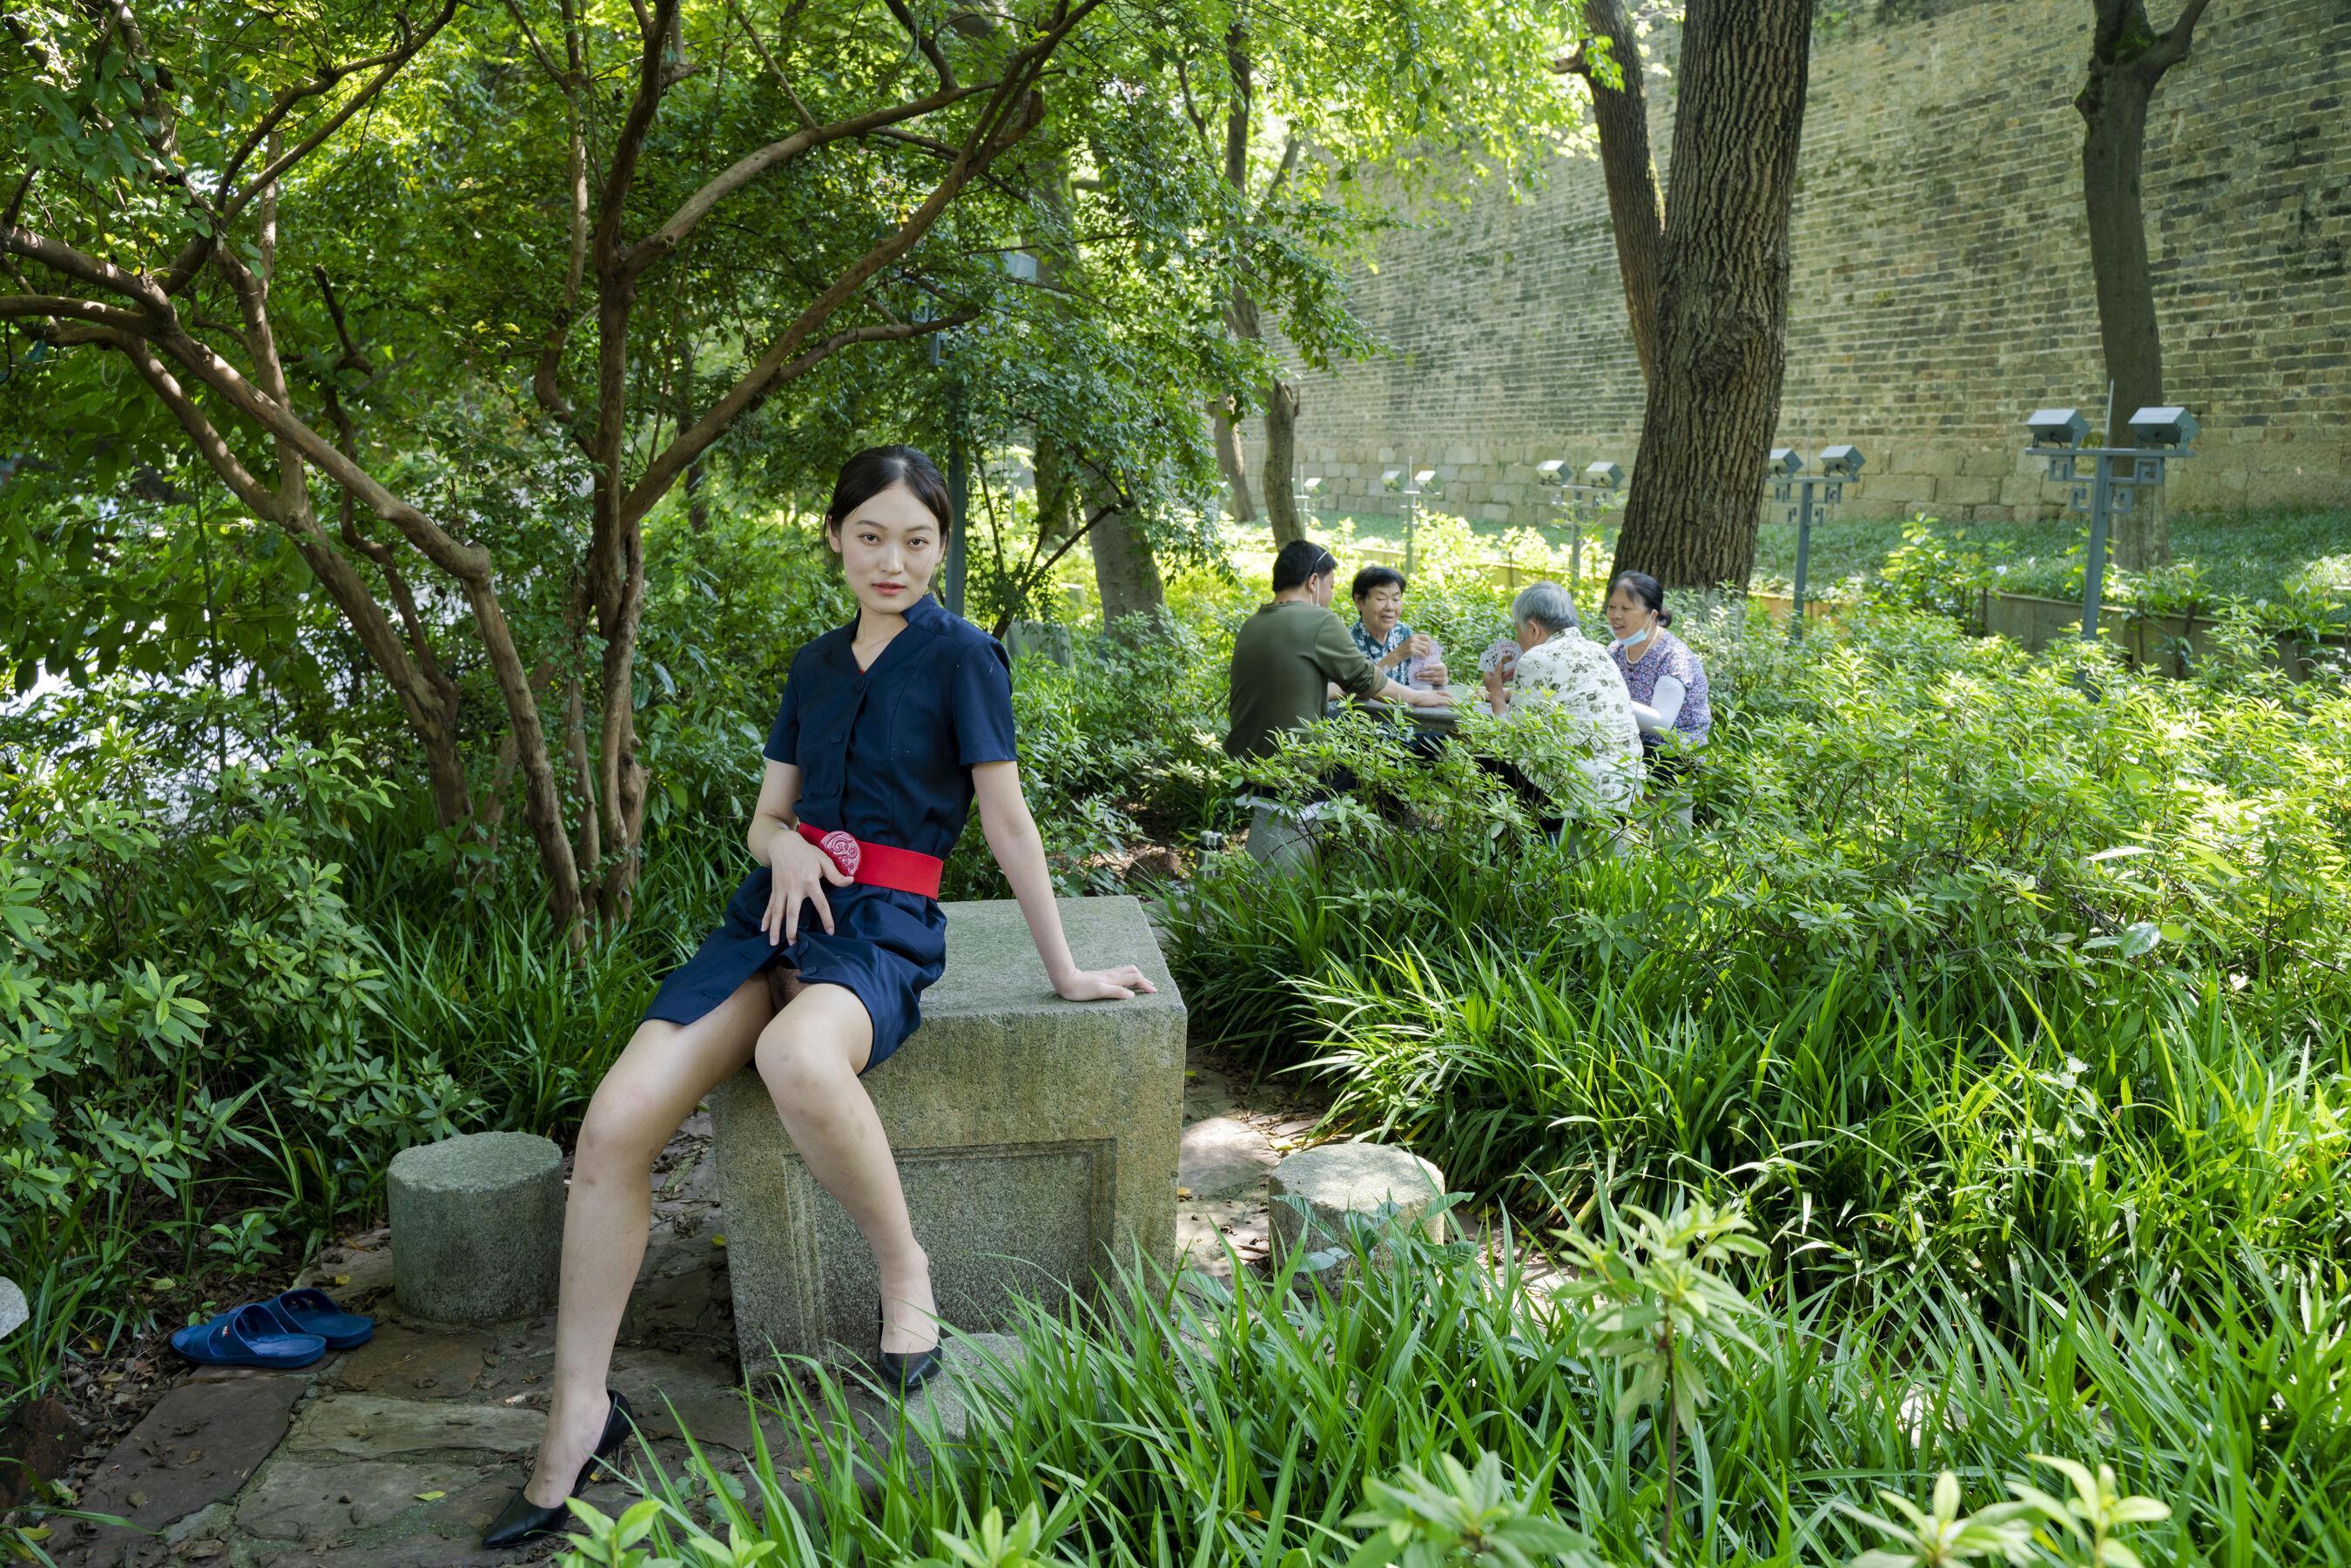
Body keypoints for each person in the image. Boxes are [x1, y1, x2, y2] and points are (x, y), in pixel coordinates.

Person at [484, 447, 1157, 1549]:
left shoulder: (964, 657)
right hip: (772, 917)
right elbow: (767, 818)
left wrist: (1067, 969)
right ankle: (580, 1408)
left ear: (941, 548)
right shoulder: (813, 666)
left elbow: (1007, 822)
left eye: (917, 540)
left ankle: (905, 1268)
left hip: (884, 929)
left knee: (796, 1056)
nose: (893, 560)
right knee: (614, 1121)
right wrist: (787, 846)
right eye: (871, 536)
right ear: (836, 538)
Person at [1225, 540, 1450, 762]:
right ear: (1313, 582)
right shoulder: (1318, 620)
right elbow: (1366, 680)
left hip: (1244, 766)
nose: (1331, 595)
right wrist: (1418, 697)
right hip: (1296, 771)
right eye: (1331, 586)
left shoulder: (1251, 624)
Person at [1479, 582, 1643, 820]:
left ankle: (1517, 842)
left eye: (1518, 629)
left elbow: (1512, 741)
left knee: (1486, 758)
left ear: (1533, 629)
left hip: (1579, 798)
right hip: (1627, 790)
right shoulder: (1599, 651)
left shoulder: (1536, 657)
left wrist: (1495, 693)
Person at [1603, 570, 1713, 771]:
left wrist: (1607, 699)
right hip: (1631, 745)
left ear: (1652, 615)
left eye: (1626, 608)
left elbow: (1661, 723)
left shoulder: (1673, 656)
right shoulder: (1616, 650)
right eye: (1612, 607)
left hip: (1672, 757)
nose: (1616, 615)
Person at [1347, 566, 1449, 690]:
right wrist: (1396, 655)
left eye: (1396, 599)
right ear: (1359, 602)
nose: (1390, 607)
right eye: (1381, 599)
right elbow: (1359, 687)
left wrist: (1438, 676)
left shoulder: (1402, 632)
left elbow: (1418, 680)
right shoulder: (1347, 641)